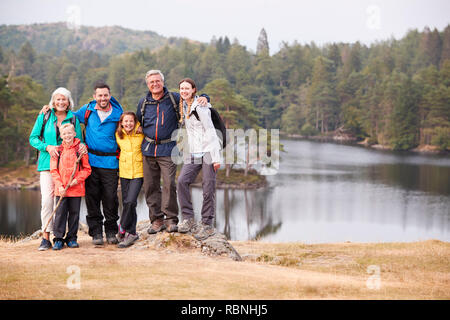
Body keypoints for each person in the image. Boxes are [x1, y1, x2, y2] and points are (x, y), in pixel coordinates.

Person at [136, 70, 209, 234]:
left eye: (157, 81)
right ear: (148, 84)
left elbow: (192, 97)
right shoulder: (143, 103)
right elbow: (138, 122)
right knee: (150, 186)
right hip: (148, 149)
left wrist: (205, 97)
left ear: (162, 82)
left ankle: (170, 220)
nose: (155, 84)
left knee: (169, 184)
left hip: (169, 148)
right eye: (151, 82)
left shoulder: (174, 98)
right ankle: (156, 220)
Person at [29, 87, 84, 251]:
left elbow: (79, 142)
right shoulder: (45, 116)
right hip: (48, 164)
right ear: (53, 101)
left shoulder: (73, 118)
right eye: (58, 99)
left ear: (69, 102)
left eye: (64, 99)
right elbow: (33, 138)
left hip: (68, 167)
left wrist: (82, 149)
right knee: (47, 201)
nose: (61, 102)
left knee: (67, 203)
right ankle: (46, 237)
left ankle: (64, 237)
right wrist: (47, 147)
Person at [75, 82, 123, 245]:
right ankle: (96, 232)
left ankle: (111, 231)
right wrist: (50, 109)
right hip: (90, 161)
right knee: (92, 198)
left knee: (110, 198)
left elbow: (128, 127)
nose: (103, 98)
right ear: (94, 96)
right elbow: (69, 117)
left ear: (110, 96)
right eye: (99, 95)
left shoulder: (118, 112)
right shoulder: (87, 111)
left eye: (105, 95)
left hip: (110, 162)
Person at [176, 78, 221, 240]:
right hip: (194, 152)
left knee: (208, 186)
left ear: (194, 90)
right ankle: (187, 218)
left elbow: (210, 131)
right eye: (181, 89)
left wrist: (216, 158)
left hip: (209, 151)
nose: (184, 91)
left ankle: (207, 223)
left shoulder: (200, 107)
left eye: (187, 88)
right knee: (182, 181)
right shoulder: (183, 106)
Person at [50, 123, 91, 250]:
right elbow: (53, 171)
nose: (67, 135)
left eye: (69, 133)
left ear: (74, 134)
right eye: (64, 134)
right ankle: (58, 239)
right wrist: (60, 185)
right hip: (61, 189)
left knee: (74, 214)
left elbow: (87, 169)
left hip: (76, 189)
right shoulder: (58, 151)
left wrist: (77, 180)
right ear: (61, 136)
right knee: (60, 214)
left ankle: (72, 238)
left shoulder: (80, 150)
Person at [115, 112, 144, 248]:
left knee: (131, 201)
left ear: (135, 122)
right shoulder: (118, 135)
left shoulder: (141, 133)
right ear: (121, 123)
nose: (128, 124)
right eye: (125, 121)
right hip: (124, 172)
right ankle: (131, 233)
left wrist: (141, 127)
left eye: (131, 121)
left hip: (138, 172)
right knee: (127, 203)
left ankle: (122, 227)